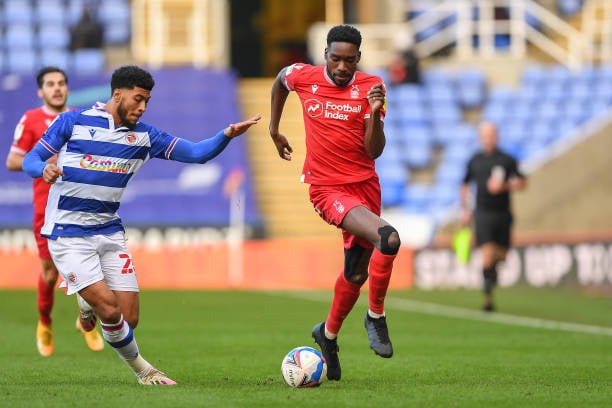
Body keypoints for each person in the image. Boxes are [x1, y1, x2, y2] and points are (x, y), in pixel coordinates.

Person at [22, 65, 261, 385]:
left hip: (108, 231)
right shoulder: (73, 121)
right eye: (138, 99)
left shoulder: (145, 136)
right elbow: (30, 160)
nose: (143, 107)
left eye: (147, 101)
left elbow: (196, 153)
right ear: (117, 94)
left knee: (128, 318)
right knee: (109, 309)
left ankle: (85, 302)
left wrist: (227, 135)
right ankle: (144, 371)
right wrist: (44, 170)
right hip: (68, 232)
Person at [269, 25, 401, 381]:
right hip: (327, 190)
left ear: (358, 58)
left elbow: (374, 150)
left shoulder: (372, 87)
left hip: (365, 188)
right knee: (388, 239)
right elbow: (281, 80)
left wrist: (374, 111)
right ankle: (375, 315)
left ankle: (326, 335)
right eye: (335, 58)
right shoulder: (304, 76)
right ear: (325, 55)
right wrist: (273, 128)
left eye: (349, 60)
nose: (342, 66)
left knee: (356, 272)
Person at [5, 66, 105, 357]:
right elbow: (13, 161)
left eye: (61, 83)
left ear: (67, 88)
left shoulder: (79, 118)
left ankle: (86, 323)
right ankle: (45, 323)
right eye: (50, 84)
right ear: (41, 91)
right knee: (50, 274)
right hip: (46, 209)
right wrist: (45, 160)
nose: (57, 88)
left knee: (89, 268)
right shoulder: (32, 119)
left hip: (80, 205)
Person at [460, 122, 527, 312]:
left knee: (502, 255)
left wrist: (504, 186)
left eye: (492, 134)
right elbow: (464, 184)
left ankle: (492, 271)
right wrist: (464, 209)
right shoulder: (474, 160)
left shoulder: (507, 160)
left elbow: (522, 182)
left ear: (496, 136)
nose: (489, 138)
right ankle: (488, 300)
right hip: (482, 214)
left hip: (503, 214)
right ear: (481, 137)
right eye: (485, 134)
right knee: (487, 254)